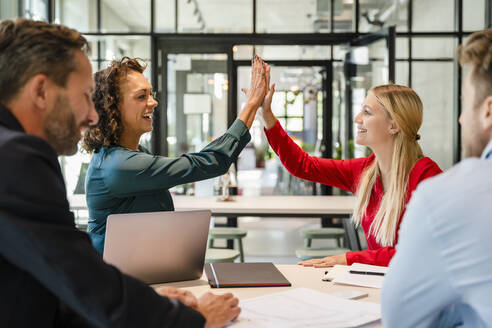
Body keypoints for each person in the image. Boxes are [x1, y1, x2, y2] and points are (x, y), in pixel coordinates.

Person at [0, 18, 240, 327]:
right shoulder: (17, 158)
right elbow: (85, 284)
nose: (91, 114)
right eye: (85, 95)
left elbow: (50, 285)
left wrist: (147, 302)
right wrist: (193, 319)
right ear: (41, 91)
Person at [254, 66, 442, 267]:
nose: (357, 118)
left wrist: (349, 259)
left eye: (367, 112)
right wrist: (266, 114)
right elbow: (303, 166)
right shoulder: (366, 171)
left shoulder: (427, 178)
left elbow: (417, 253)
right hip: (379, 283)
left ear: (394, 125)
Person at [82, 56, 267, 253]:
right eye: (141, 96)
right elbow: (210, 162)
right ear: (113, 107)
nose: (153, 102)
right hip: (114, 279)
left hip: (138, 272)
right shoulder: (119, 165)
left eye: (150, 94)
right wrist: (251, 105)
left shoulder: (131, 154)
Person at [381, 28, 492, 327]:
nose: (460, 119)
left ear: (488, 111)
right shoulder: (366, 170)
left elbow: (401, 319)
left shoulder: (440, 192)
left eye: (464, 102)